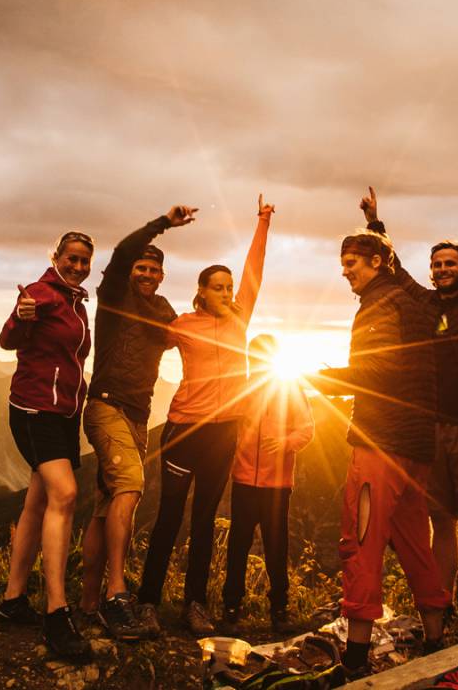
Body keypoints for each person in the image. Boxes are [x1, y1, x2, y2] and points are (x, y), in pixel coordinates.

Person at [362, 166, 458, 634]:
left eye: (450, 264)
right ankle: (443, 606)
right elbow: (394, 272)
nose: (442, 270)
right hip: (430, 432)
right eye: (437, 265)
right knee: (441, 523)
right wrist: (375, 225)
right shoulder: (424, 306)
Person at [307, 219, 451, 679]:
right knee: (416, 547)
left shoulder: (377, 305)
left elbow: (379, 371)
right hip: (417, 448)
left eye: (351, 263)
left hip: (379, 443)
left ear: (375, 262)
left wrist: (321, 380)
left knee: (361, 545)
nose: (345, 271)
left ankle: (354, 662)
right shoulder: (418, 303)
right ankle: (435, 643)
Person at [137, 195, 274, 637]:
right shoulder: (182, 325)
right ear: (200, 292)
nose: (228, 293)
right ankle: (147, 604)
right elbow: (139, 337)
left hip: (225, 433)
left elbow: (255, 270)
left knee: (204, 521)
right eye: (219, 287)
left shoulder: (239, 320)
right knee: (169, 517)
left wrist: (263, 221)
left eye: (230, 287)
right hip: (184, 430)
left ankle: (194, 604)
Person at [76, 204, 196, 641]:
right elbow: (122, 251)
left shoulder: (163, 308)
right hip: (105, 406)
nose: (145, 274)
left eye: (153, 269)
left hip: (138, 416)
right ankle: (117, 595)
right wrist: (163, 224)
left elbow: (186, 336)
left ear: (162, 276)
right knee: (130, 486)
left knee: (105, 507)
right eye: (141, 267)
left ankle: (89, 606)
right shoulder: (113, 294)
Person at [0, 230, 97, 661]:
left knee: (37, 504)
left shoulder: (74, 299)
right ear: (56, 256)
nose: (77, 266)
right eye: (70, 258)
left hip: (62, 415)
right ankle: (57, 614)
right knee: (66, 495)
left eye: (84, 261)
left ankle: (12, 602)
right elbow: (8, 339)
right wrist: (22, 316)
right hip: (36, 411)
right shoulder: (41, 293)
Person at [221, 333, 314, 636]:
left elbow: (307, 429)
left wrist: (286, 442)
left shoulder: (290, 390)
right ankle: (231, 607)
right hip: (245, 480)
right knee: (238, 545)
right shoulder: (244, 389)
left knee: (276, 547)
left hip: (277, 485)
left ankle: (279, 609)